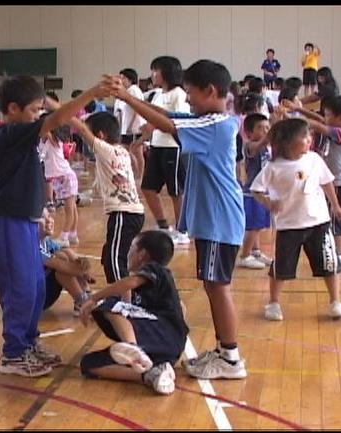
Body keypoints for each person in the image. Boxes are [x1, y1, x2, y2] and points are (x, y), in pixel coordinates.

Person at [114, 59, 248, 380]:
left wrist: (127, 97)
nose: (186, 99)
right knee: (212, 284)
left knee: (218, 287)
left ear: (210, 91)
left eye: (190, 93)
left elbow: (167, 126)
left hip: (219, 221)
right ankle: (223, 350)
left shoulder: (216, 125)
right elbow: (169, 118)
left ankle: (230, 357)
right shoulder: (209, 120)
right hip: (213, 222)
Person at [0, 75, 113, 378]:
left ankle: (28, 343)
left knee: (36, 287)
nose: (38, 117)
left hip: (25, 223)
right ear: (13, 109)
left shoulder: (21, 135)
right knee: (20, 290)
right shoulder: (8, 133)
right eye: (33, 111)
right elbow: (56, 117)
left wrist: (40, 212)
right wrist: (93, 93)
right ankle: (13, 353)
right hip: (7, 223)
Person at [250, 118, 341, 320]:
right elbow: (256, 190)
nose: (309, 139)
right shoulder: (274, 167)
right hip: (288, 226)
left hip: (318, 223)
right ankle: (274, 303)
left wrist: (336, 205)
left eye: (309, 136)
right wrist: (270, 204)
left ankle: (336, 301)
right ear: (289, 142)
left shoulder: (314, 159)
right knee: (281, 268)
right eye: (305, 136)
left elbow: (327, 182)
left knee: (329, 264)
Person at [78, 230, 189, 395]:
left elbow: (129, 285)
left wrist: (93, 298)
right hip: (162, 348)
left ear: (141, 254)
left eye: (132, 247)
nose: (128, 252)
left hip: (166, 336)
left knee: (109, 304)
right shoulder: (147, 288)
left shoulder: (157, 270)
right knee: (89, 364)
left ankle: (132, 348)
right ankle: (150, 374)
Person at [66, 111, 145, 284]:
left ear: (100, 135)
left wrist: (62, 111)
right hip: (129, 214)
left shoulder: (106, 150)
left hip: (124, 214)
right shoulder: (121, 151)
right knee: (109, 257)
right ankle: (117, 295)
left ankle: (123, 301)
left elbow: (81, 129)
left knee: (116, 260)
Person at [283, 96, 341, 266]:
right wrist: (298, 109)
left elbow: (317, 124)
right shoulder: (333, 125)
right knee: (329, 219)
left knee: (337, 221)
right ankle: (331, 251)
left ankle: (340, 253)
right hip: (329, 182)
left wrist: (291, 119)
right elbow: (318, 120)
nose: (326, 117)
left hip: (339, 184)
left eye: (329, 115)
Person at [142, 56, 191, 245]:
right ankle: (163, 224)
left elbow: (175, 122)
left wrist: (154, 126)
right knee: (147, 187)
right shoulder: (157, 95)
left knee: (176, 191)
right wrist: (141, 141)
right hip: (157, 146)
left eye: (157, 70)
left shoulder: (178, 94)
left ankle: (182, 229)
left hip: (173, 148)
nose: (153, 74)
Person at [38, 209, 94, 316]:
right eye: (42, 218)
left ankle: (86, 295)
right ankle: (82, 301)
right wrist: (85, 272)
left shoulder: (47, 241)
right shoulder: (32, 246)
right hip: (34, 299)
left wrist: (81, 262)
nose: (49, 220)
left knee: (66, 252)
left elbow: (68, 253)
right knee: (62, 266)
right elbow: (61, 265)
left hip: (44, 294)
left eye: (49, 216)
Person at [237, 113, 272, 269]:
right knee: (253, 226)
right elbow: (261, 144)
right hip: (252, 193)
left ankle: (255, 252)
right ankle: (244, 255)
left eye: (267, 127)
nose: (265, 130)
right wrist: (273, 131)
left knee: (259, 225)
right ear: (249, 133)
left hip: (265, 192)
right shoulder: (250, 146)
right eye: (260, 128)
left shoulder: (268, 147)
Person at [40, 122, 79, 247]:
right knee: (72, 208)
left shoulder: (53, 141)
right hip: (63, 178)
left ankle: (64, 237)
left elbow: (45, 129)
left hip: (66, 177)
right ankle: (73, 234)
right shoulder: (50, 142)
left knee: (69, 210)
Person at [113, 68, 146, 146]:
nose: (121, 81)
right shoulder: (127, 91)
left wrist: (131, 125)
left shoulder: (133, 90)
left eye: (123, 78)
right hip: (127, 127)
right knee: (130, 150)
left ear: (130, 80)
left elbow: (137, 108)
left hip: (134, 128)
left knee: (134, 150)